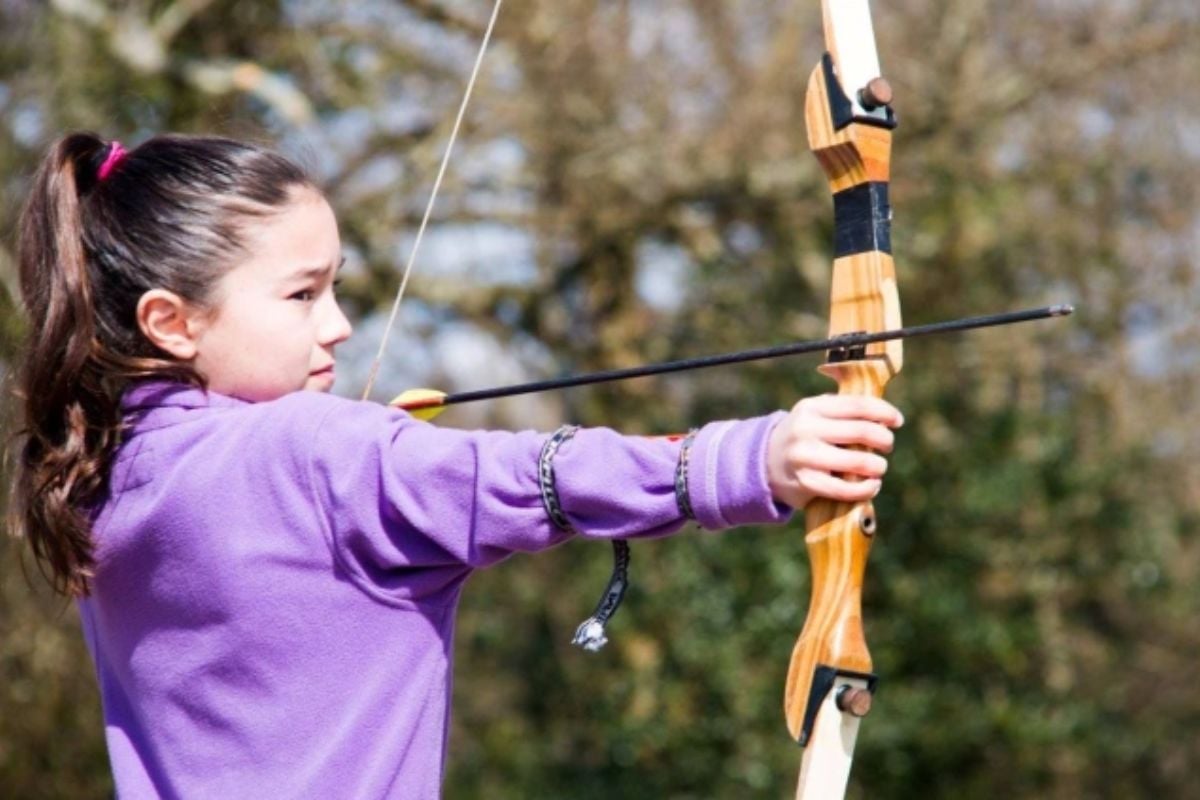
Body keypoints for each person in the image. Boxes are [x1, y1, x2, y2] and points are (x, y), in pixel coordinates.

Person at [8, 132, 904, 798]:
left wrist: (376, 464)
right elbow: (525, 476)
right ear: (173, 322)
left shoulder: (104, 475)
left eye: (338, 286)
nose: (339, 325)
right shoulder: (320, 452)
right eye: (302, 295)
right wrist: (752, 460)